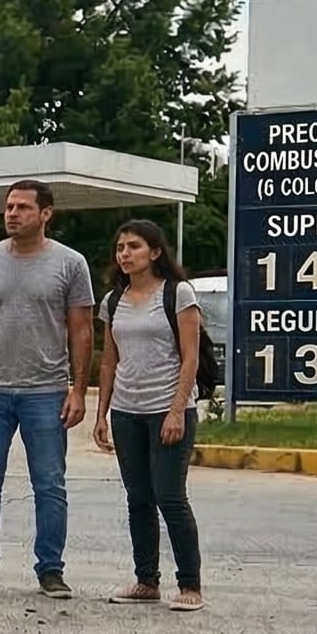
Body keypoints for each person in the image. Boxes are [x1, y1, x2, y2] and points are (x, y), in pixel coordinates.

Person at [0, 179, 95, 598]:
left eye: (23, 207)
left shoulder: (70, 264)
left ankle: (50, 570)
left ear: (46, 214)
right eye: (9, 207)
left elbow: (82, 330)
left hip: (46, 392)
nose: (12, 213)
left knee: (50, 484)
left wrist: (79, 390)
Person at [92, 219, 205, 611]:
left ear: (155, 252)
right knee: (138, 498)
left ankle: (190, 585)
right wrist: (101, 413)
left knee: (170, 497)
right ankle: (146, 581)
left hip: (168, 410)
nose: (125, 253)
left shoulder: (178, 294)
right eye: (120, 247)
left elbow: (190, 357)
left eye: (134, 246)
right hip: (127, 411)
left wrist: (177, 410)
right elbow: (109, 361)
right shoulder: (113, 300)